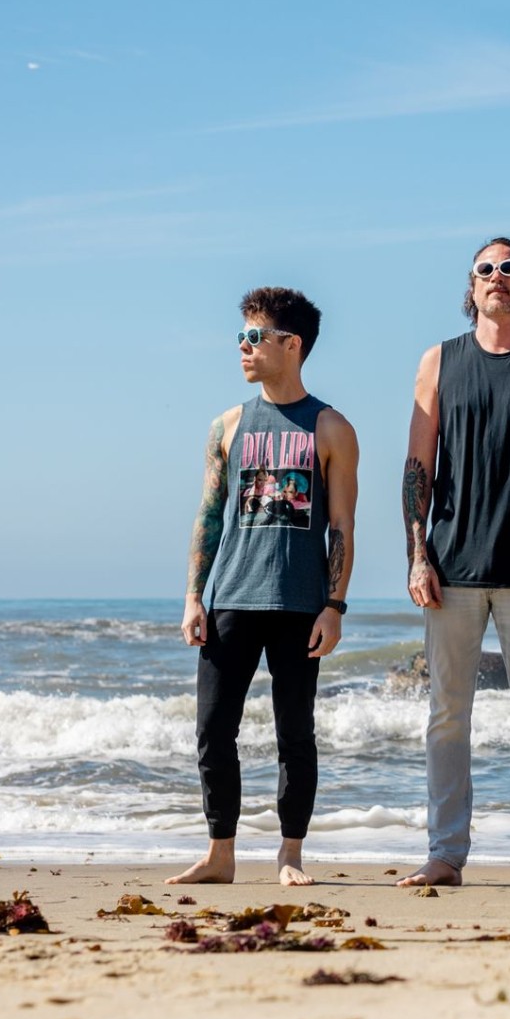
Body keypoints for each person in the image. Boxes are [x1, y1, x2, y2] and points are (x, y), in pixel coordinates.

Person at [396, 238, 510, 890]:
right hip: (449, 569)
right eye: (485, 269)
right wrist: (417, 555)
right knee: (447, 716)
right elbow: (417, 466)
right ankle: (445, 853)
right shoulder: (439, 362)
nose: (497, 277)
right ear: (472, 287)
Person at [173, 287, 358, 886]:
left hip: (299, 603)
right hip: (230, 598)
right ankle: (219, 854)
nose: (244, 348)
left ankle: (290, 855)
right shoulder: (226, 426)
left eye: (255, 337)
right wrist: (194, 597)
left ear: (292, 344)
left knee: (294, 734)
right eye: (242, 337)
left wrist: (334, 606)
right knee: (212, 730)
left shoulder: (331, 427)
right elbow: (209, 514)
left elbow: (341, 526)